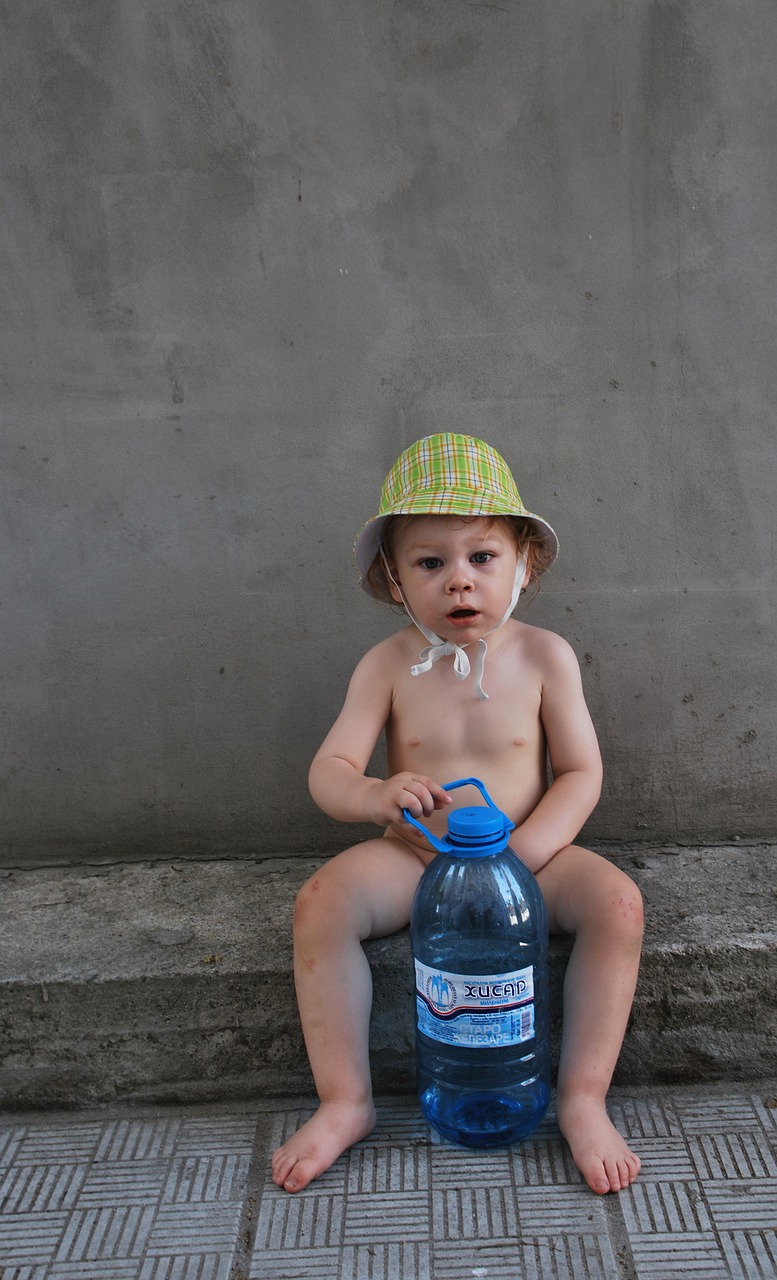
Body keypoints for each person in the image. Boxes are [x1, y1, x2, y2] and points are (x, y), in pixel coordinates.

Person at [272, 433, 644, 1197]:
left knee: (617, 904)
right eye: (429, 562)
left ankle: (580, 1098)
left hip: (527, 855)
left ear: (523, 565)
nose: (459, 582)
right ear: (393, 578)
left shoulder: (545, 657)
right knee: (321, 904)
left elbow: (579, 772)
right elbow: (328, 770)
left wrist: (529, 849)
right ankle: (346, 1101)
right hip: (416, 857)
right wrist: (375, 793)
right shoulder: (385, 664)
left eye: (481, 557)